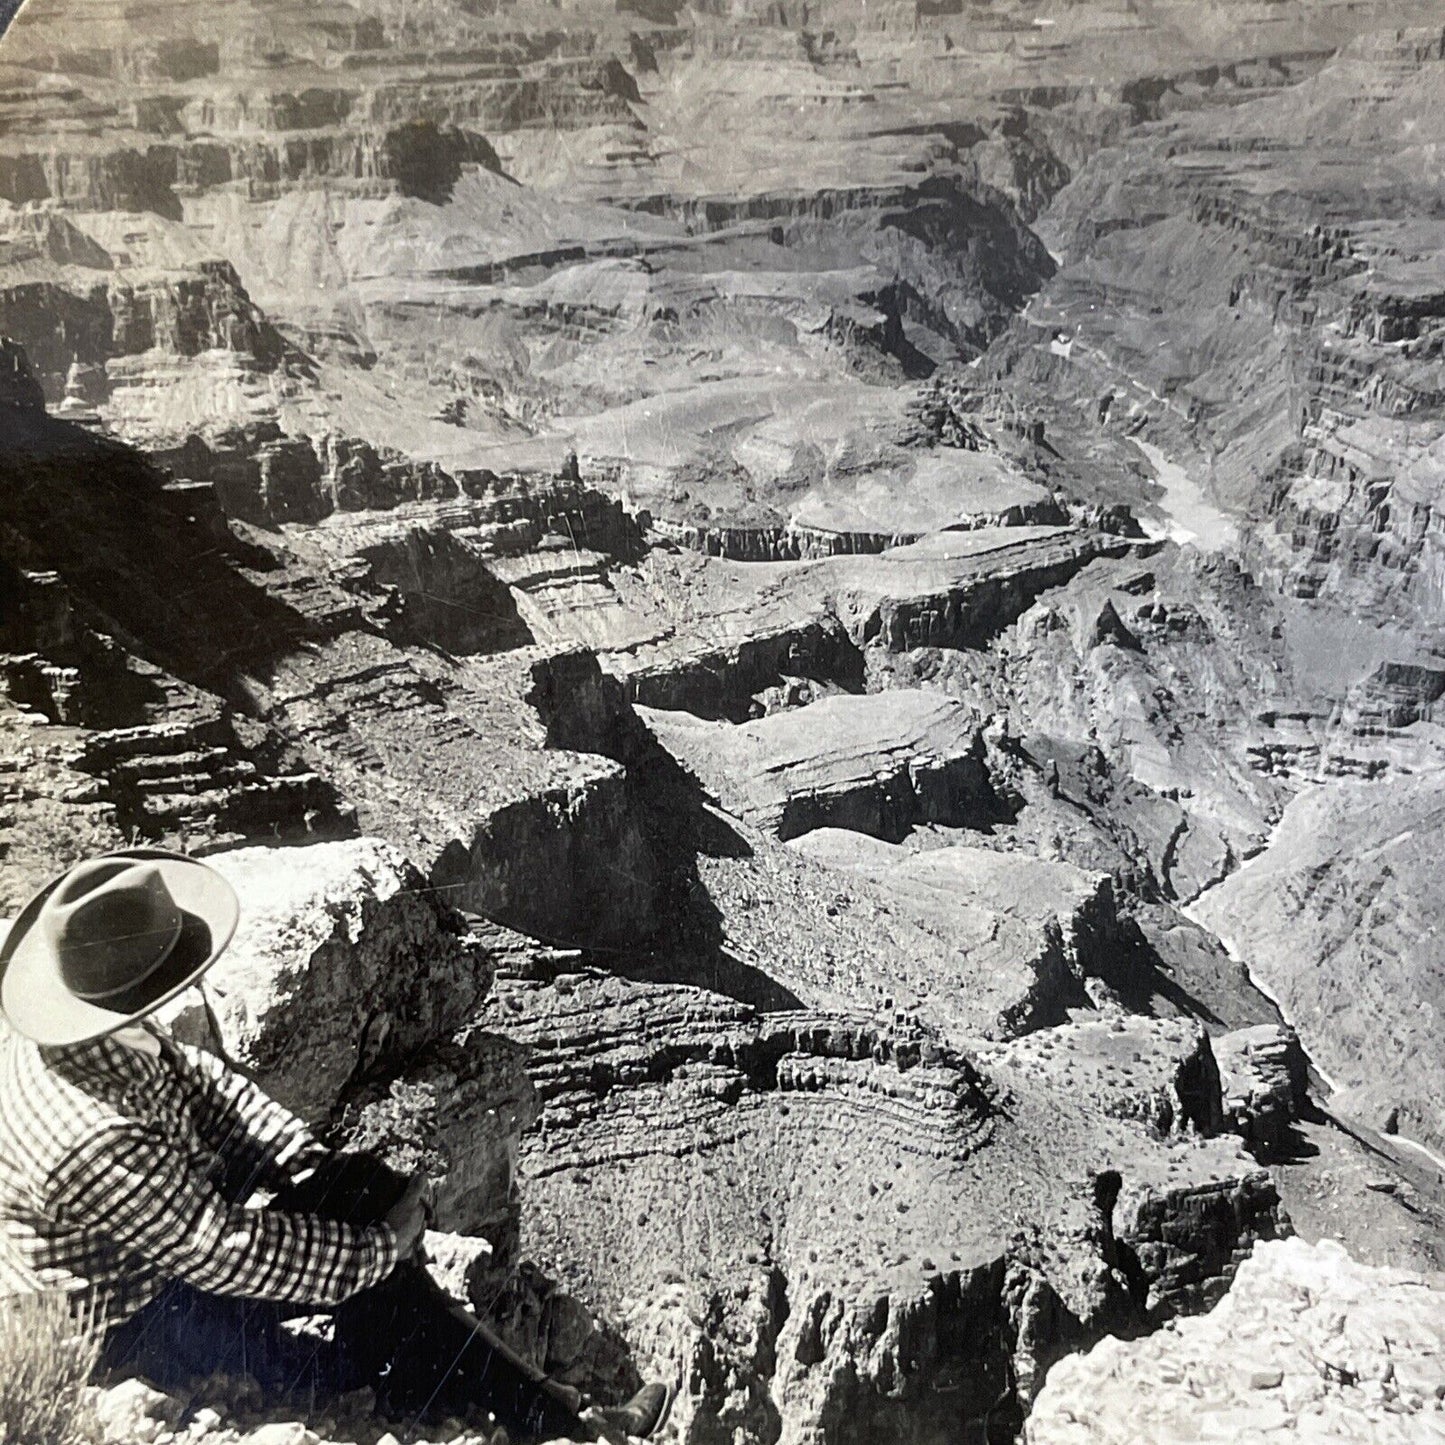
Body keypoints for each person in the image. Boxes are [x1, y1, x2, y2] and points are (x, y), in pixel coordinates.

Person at [0, 849, 667, 1442]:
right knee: (346, 1362)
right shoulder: (87, 1137)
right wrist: (377, 1246)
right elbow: (220, 1249)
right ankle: (553, 1417)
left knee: (361, 1189)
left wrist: (306, 1163)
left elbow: (207, 1087)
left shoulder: (97, 1034)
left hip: (165, 1255)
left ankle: (531, 1406)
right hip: (134, 1321)